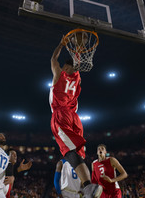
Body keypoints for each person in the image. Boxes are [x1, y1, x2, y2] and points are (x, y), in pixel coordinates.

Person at [50, 38, 102, 198]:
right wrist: (78, 47)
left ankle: (88, 187)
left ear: (65, 66)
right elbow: (77, 62)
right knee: (77, 154)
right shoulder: (77, 77)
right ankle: (88, 186)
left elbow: (53, 59)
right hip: (75, 118)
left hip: (61, 115)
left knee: (68, 152)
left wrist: (61, 44)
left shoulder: (59, 73)